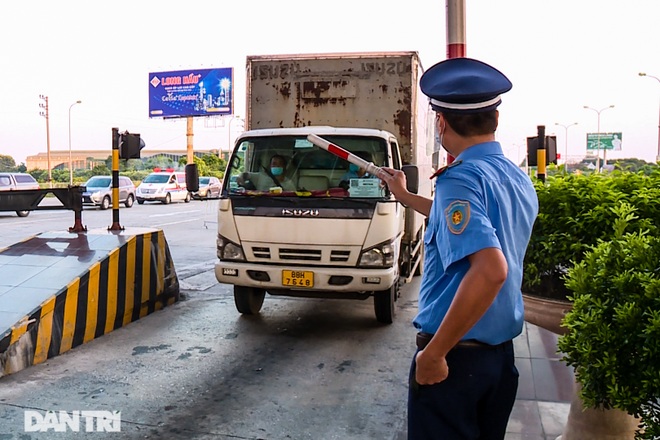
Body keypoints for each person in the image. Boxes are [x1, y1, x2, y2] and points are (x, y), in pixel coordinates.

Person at [379, 58, 539, 440]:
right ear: (495, 120)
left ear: (441, 123)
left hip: (456, 358)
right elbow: (463, 224)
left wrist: (434, 354)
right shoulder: (514, 177)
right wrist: (405, 196)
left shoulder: (461, 178)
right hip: (499, 360)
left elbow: (490, 269)